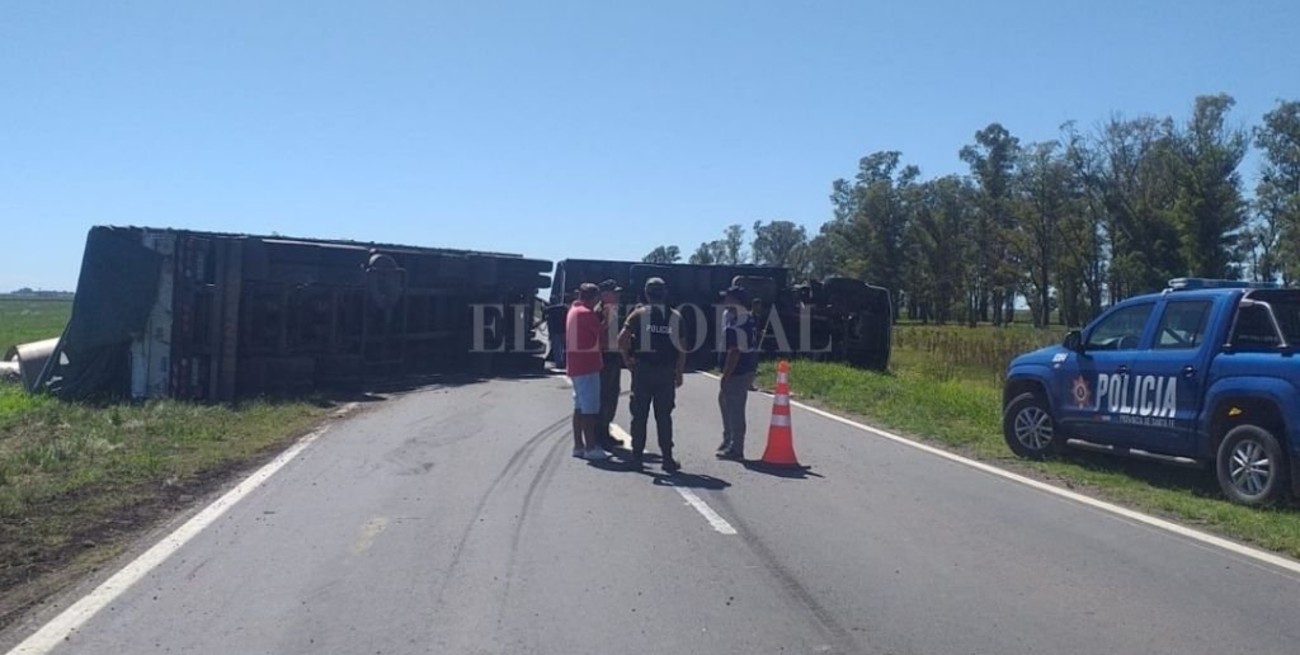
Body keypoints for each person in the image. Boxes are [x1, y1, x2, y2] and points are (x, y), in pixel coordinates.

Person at [618, 277, 686, 473]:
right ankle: (667, 459)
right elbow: (682, 348)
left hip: (643, 371)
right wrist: (679, 372)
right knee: (664, 416)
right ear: (665, 293)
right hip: (665, 372)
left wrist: (627, 360)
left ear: (647, 294)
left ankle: (637, 458)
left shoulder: (638, 314)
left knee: (639, 416)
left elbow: (621, 339)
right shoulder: (675, 317)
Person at [716, 284, 759, 460]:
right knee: (724, 401)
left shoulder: (738, 322)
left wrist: (726, 375)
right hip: (744, 368)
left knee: (735, 408)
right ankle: (729, 439)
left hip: (738, 371)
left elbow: (735, 351)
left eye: (728, 298)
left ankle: (736, 448)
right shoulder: (743, 317)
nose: (724, 300)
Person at [566, 283, 609, 460]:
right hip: (588, 365)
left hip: (576, 365)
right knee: (590, 409)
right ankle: (591, 447)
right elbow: (603, 340)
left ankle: (579, 445)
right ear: (594, 297)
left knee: (579, 407)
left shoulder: (574, 310)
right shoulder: (587, 314)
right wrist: (606, 320)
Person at [594, 279, 624, 451]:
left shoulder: (610, 310)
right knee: (605, 396)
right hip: (606, 356)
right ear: (605, 294)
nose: (617, 295)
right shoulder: (602, 311)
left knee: (612, 395)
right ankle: (600, 433)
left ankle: (605, 431)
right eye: (614, 292)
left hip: (612, 356)